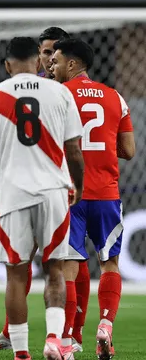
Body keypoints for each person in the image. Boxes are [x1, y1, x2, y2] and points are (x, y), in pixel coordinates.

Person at [0, 37, 84, 360]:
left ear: (7, 66)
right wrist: (79, 185)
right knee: (55, 270)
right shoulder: (60, 92)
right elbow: (74, 150)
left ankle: (20, 352)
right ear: (38, 62)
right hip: (53, 192)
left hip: (13, 194)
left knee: (16, 275)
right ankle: (52, 339)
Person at [50, 38, 135, 360]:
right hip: (106, 194)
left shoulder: (57, 95)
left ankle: (70, 339)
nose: (51, 66)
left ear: (73, 64)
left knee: (68, 268)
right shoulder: (115, 97)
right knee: (109, 263)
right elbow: (128, 150)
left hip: (69, 193)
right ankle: (105, 325)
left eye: (56, 61)